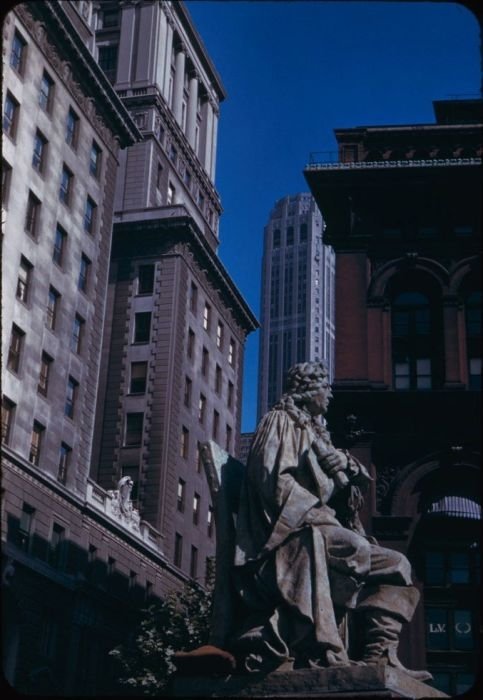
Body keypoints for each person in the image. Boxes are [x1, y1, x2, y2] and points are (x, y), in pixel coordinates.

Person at [231, 361, 431, 681]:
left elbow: (344, 497)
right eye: (326, 388)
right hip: (288, 538)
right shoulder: (280, 422)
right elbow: (271, 482)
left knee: (398, 565)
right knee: (353, 547)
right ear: (309, 391)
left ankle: (379, 652)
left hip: (324, 532)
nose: (330, 396)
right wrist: (316, 512)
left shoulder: (317, 432)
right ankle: (318, 645)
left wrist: (348, 468)